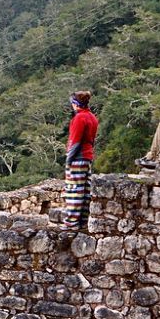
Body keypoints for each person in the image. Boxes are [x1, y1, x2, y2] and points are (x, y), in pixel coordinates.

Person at [61, 91, 99, 231]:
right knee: (84, 191)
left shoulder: (79, 118)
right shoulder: (92, 118)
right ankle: (83, 221)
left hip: (78, 158)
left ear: (76, 104)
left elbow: (75, 142)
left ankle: (71, 223)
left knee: (74, 191)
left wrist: (68, 161)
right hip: (87, 157)